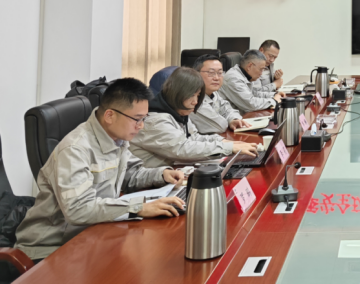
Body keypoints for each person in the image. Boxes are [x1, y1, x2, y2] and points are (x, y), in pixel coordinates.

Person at [15, 79, 186, 261]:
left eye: (144, 118)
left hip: (93, 232)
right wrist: (139, 208)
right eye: (137, 119)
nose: (141, 126)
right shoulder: (75, 149)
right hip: (51, 248)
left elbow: (129, 175)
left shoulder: (117, 138)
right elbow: (78, 209)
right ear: (110, 116)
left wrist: (161, 175)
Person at [130, 68, 258, 168]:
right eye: (191, 95)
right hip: (150, 183)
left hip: (172, 172)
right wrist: (228, 148)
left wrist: (225, 142)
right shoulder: (155, 120)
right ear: (177, 94)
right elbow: (183, 148)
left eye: (198, 95)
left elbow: (194, 137)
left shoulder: (178, 112)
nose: (195, 101)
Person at [190, 54, 252, 134]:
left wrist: (234, 119)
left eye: (220, 73)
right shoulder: (192, 99)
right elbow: (220, 126)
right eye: (211, 73)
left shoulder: (213, 92)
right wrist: (228, 121)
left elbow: (227, 109)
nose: (216, 78)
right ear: (196, 73)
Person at [219, 50, 285, 113]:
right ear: (249, 66)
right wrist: (274, 101)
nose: (261, 73)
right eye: (261, 69)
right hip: (233, 119)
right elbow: (251, 104)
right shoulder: (234, 78)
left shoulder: (244, 75)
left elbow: (254, 93)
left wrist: (274, 95)